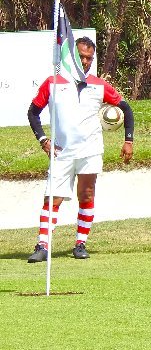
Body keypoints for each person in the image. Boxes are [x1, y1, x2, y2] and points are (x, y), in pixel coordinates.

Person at [26, 36, 134, 263]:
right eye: (81, 56)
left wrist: (128, 141)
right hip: (61, 152)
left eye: (89, 58)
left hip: (90, 150)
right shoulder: (52, 83)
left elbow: (126, 108)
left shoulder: (98, 85)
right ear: (71, 56)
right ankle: (43, 245)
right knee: (52, 198)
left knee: (86, 195)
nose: (84, 61)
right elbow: (33, 112)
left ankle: (80, 243)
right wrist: (43, 139)